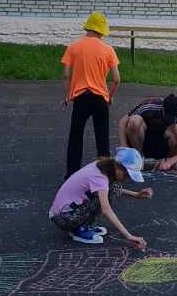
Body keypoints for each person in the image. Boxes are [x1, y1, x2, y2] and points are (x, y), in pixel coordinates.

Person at [49, 147, 150, 249]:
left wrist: (136, 195)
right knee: (105, 195)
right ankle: (79, 230)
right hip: (65, 218)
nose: (126, 178)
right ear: (118, 166)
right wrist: (129, 236)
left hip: (64, 213)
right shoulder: (99, 177)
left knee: (112, 188)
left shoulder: (102, 166)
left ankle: (85, 225)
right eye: (126, 175)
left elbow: (110, 189)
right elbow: (106, 209)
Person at [62, 12, 121, 179]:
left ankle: (72, 175)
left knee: (76, 136)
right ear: (102, 30)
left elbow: (66, 75)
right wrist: (109, 96)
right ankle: (105, 177)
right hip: (100, 98)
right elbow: (116, 79)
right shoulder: (108, 50)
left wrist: (67, 95)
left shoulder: (73, 47)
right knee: (102, 138)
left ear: (88, 27)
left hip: (81, 98)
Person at [118, 93, 177, 171]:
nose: (172, 120)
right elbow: (123, 121)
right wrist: (124, 147)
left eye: (175, 117)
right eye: (169, 117)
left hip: (164, 145)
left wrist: (171, 161)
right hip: (144, 140)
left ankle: (169, 160)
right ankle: (138, 158)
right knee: (134, 120)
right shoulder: (148, 107)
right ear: (163, 109)